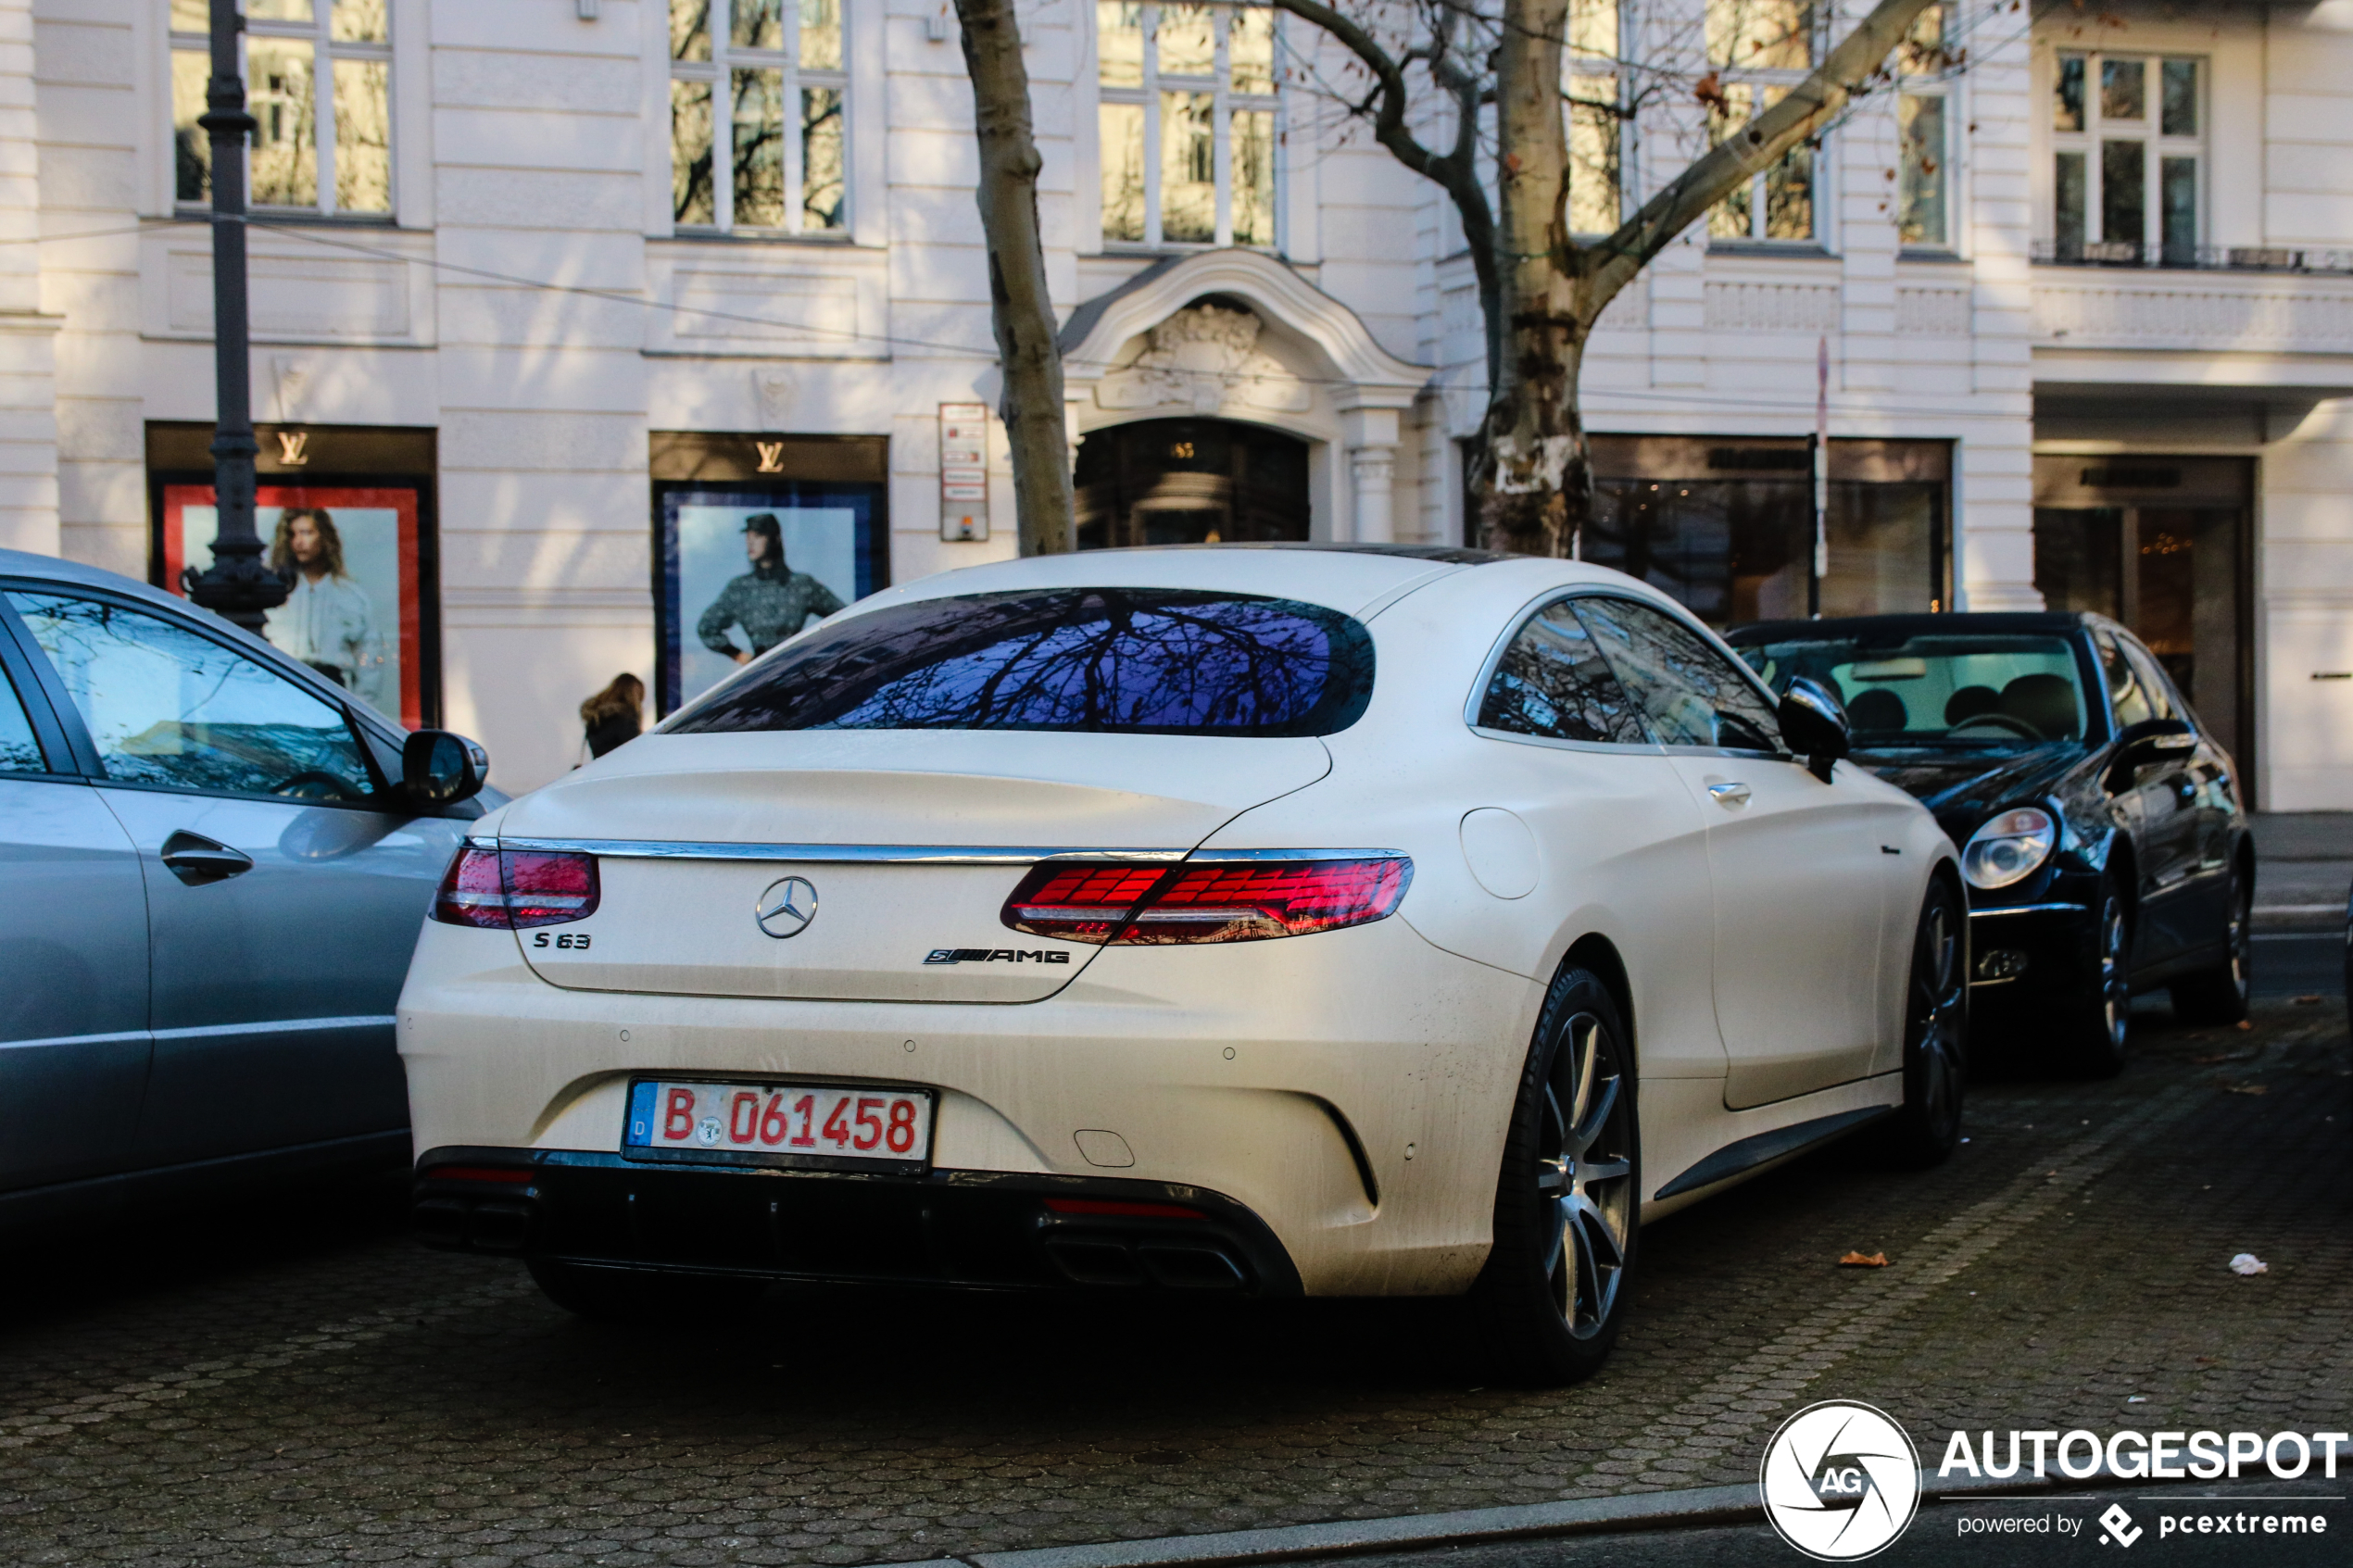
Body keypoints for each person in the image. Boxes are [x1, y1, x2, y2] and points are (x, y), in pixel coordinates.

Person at [267, 507, 385, 708]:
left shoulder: (351, 596)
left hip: (333, 693)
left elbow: (369, 656)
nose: (299, 542)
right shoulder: (276, 592)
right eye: (293, 534)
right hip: (282, 690)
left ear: (323, 537)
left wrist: (361, 707)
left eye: (307, 533)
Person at [696, 513, 846, 665]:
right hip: (762, 674)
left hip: (797, 671)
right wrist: (739, 656)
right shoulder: (741, 588)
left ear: (775, 539)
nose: (750, 543)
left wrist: (819, 654)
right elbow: (707, 627)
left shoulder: (801, 584)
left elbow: (845, 617)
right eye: (748, 536)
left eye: (758, 536)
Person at [580, 673, 644, 761]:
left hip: (601, 770)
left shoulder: (596, 718)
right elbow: (635, 750)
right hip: (622, 769)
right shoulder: (626, 717)